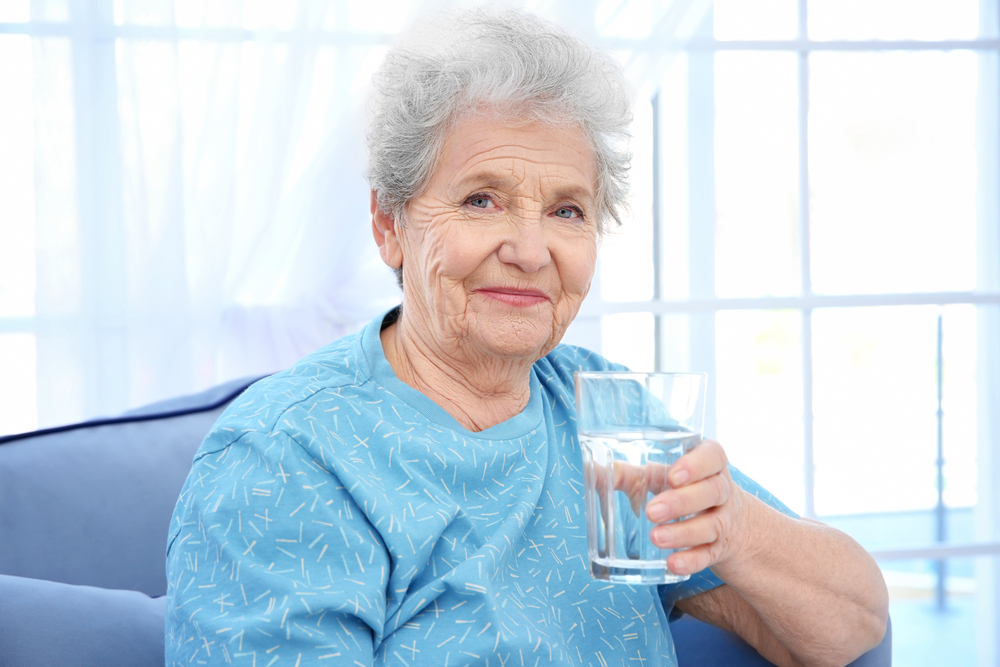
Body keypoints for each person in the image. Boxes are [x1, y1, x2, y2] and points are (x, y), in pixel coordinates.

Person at [165, 8, 888, 666]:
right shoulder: (284, 458)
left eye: (569, 211)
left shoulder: (604, 414)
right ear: (390, 225)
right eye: (483, 199)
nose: (532, 249)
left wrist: (736, 528)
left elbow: (855, 624)